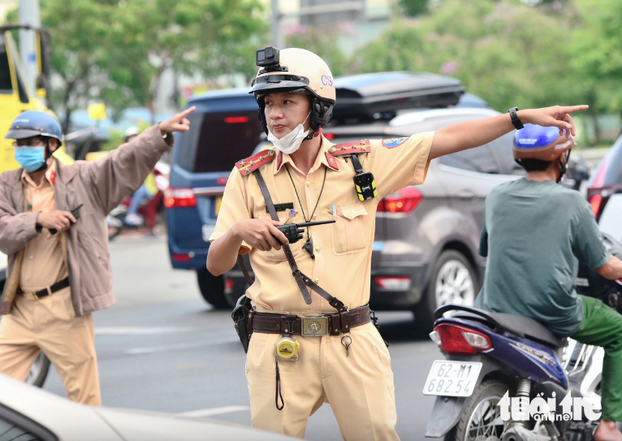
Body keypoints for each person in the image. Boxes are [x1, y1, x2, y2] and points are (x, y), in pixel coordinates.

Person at [205, 46, 588, 440]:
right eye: (268, 103)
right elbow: (216, 265)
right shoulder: (248, 177)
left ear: (317, 107)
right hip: (278, 347)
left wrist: (517, 118)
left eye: (288, 101)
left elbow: (445, 139)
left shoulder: (362, 163)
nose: (276, 115)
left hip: (352, 342)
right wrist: (237, 233)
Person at [0, 107, 194, 405]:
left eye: (31, 143)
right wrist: (38, 220)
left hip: (65, 309)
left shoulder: (82, 177)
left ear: (52, 145)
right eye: (19, 144)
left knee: (84, 402)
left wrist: (159, 131)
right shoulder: (8, 184)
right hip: (19, 309)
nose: (23, 150)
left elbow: (121, 160)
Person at [474, 124, 622, 441]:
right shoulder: (572, 203)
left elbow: (486, 250)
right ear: (561, 157)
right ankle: (608, 427)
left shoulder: (497, 195)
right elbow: (606, 267)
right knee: (619, 331)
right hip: (553, 311)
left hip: (494, 308)